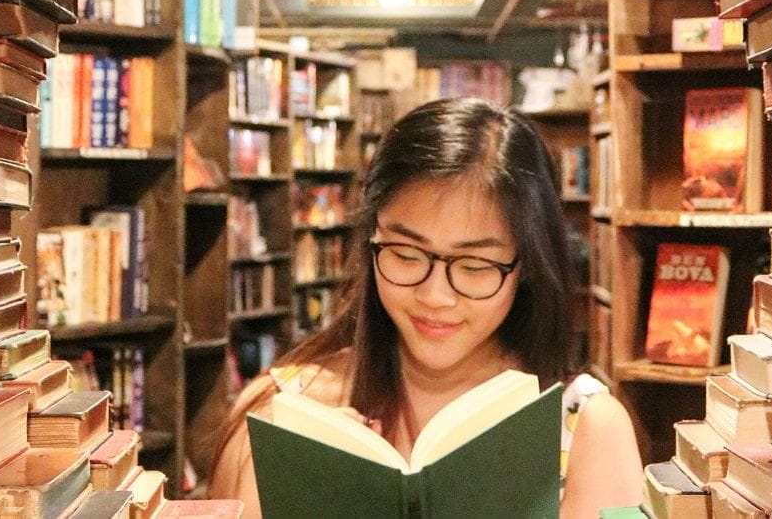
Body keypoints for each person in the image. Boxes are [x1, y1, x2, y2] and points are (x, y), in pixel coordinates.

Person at [209, 97, 644, 517]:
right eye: (406, 254)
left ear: (527, 265)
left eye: (475, 266)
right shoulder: (281, 411)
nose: (436, 296)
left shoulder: (588, 429)